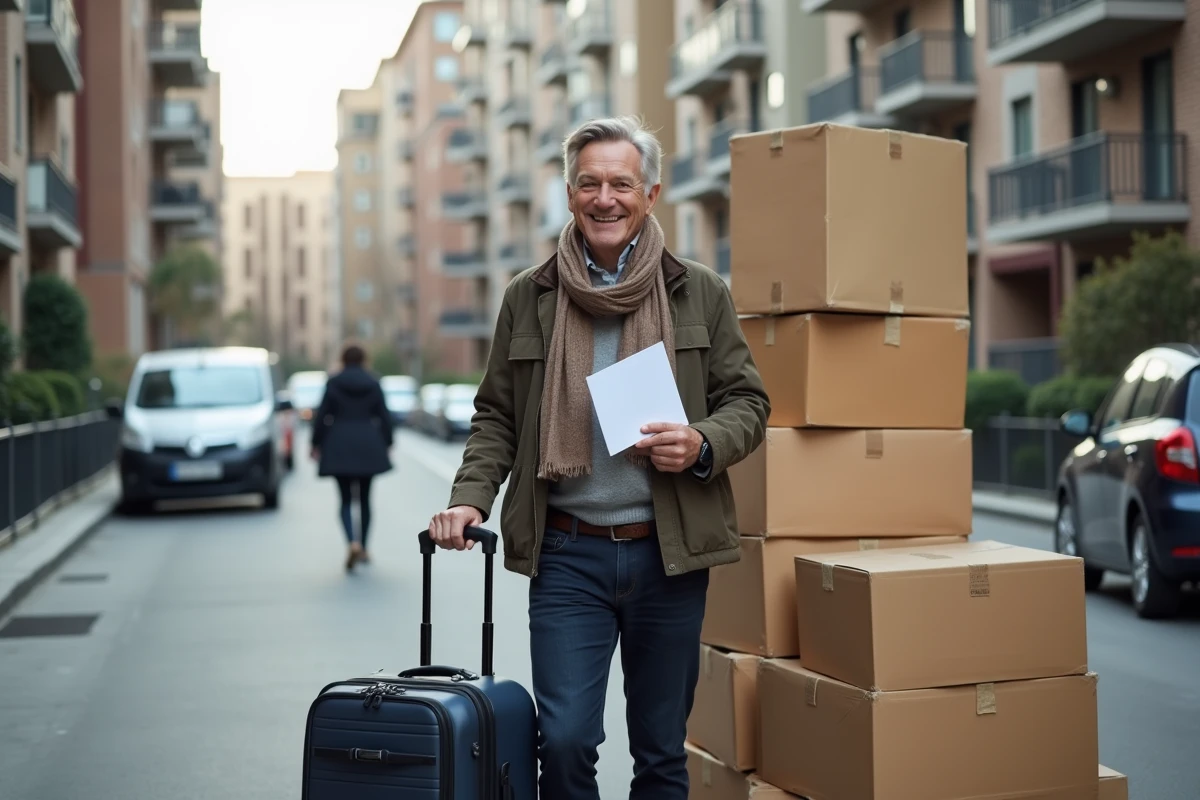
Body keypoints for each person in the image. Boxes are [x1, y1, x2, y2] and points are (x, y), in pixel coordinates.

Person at [427, 116, 770, 799]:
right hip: (567, 555)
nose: (604, 198)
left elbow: (748, 403)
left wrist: (702, 442)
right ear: (569, 192)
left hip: (667, 554)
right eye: (589, 183)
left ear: (651, 194)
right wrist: (470, 498)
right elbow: (497, 414)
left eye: (621, 183)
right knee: (564, 741)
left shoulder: (697, 289)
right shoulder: (530, 296)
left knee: (661, 752)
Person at [310, 344, 393, 571]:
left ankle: (352, 543)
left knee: (345, 499)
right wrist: (388, 442)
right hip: (368, 443)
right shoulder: (373, 382)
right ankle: (364, 547)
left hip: (339, 444)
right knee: (365, 500)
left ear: (343, 359)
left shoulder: (334, 382)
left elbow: (323, 415)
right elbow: (384, 415)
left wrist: (315, 443)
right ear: (364, 359)